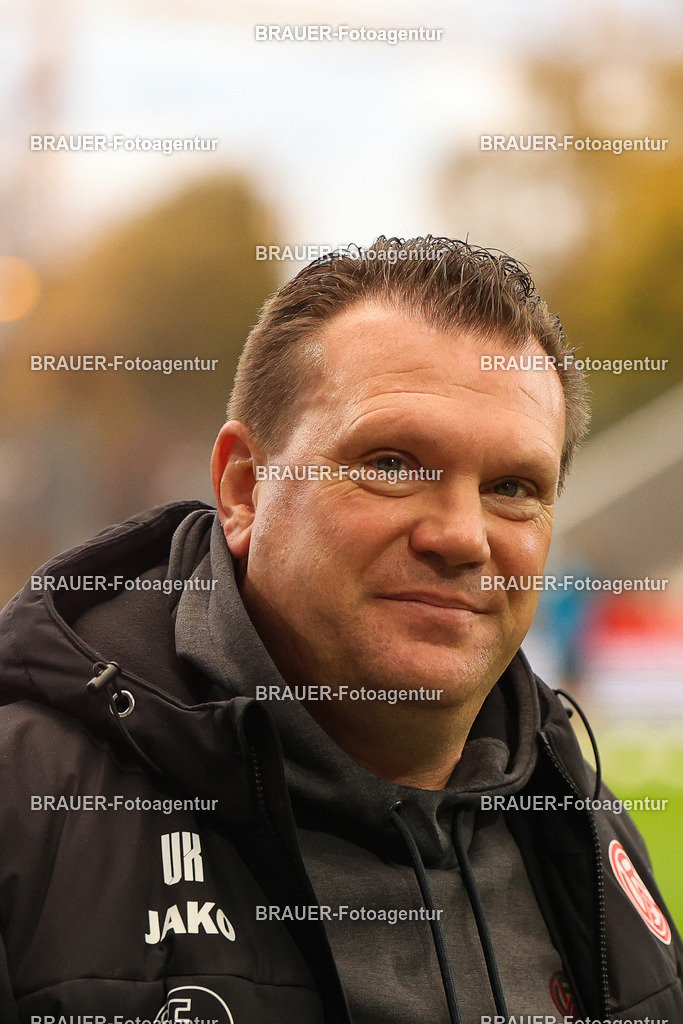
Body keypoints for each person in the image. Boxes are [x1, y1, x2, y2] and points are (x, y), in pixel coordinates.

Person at [0, 236, 680, 1024]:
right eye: (391, 464)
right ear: (244, 490)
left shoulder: (583, 832)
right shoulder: (27, 813)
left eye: (510, 486)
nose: (462, 536)